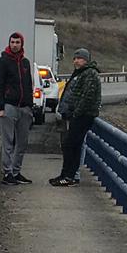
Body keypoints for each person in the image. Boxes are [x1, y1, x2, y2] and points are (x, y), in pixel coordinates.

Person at [50, 47, 101, 187]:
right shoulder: (80, 73)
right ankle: (66, 174)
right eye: (75, 58)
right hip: (76, 115)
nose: (77, 61)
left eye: (80, 58)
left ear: (86, 60)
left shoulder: (90, 74)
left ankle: (70, 176)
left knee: (71, 145)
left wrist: (76, 113)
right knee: (71, 145)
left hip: (83, 116)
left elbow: (87, 97)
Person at [0, 30, 32, 184]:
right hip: (9, 106)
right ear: (9, 43)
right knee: (8, 141)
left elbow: (28, 84)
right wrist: (0, 106)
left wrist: (30, 105)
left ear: (22, 44)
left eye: (17, 42)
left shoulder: (25, 63)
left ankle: (16, 171)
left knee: (22, 142)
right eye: (12, 42)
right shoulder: (2, 62)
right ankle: (7, 172)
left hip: (24, 108)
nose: (15, 45)